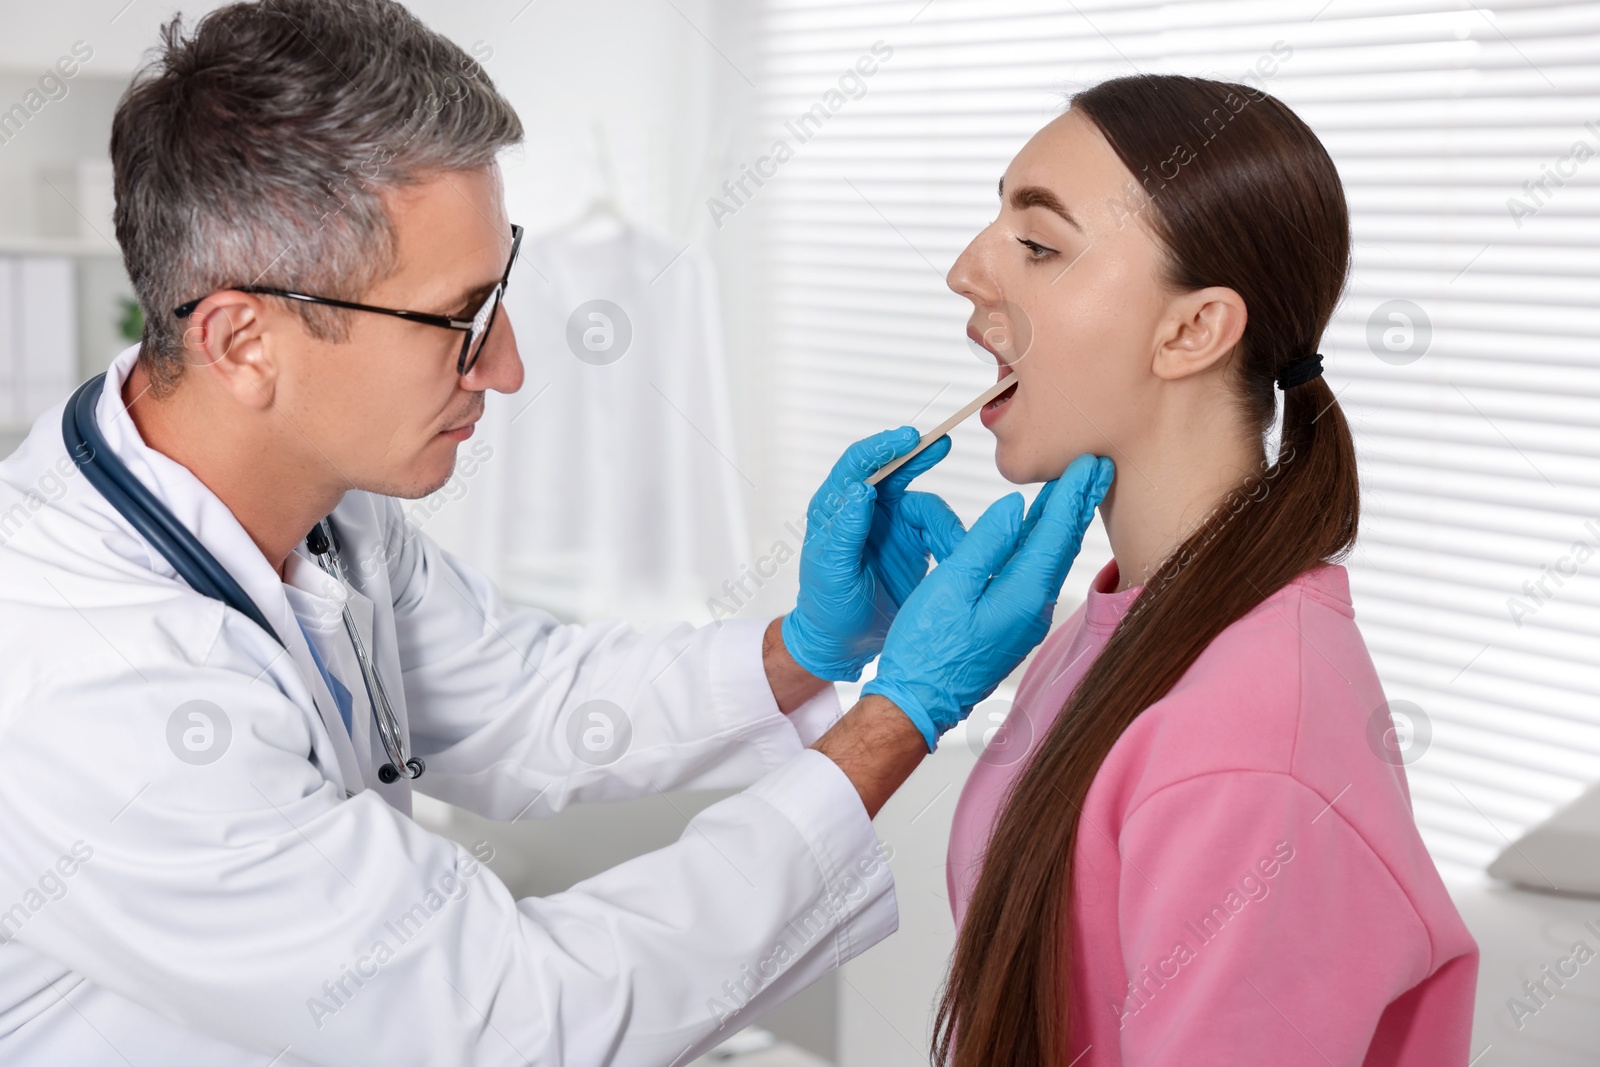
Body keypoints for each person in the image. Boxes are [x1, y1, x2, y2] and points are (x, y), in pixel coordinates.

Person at [0, 2, 1112, 1063]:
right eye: (458, 321)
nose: (509, 367)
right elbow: (515, 1023)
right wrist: (896, 719)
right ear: (244, 341)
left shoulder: (320, 500)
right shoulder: (84, 678)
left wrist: (805, 647)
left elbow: (510, 700)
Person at [919, 75, 1479, 1066]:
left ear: (1192, 330)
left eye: (1038, 245)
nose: (967, 270)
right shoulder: (1114, 633)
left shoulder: (1248, 740)